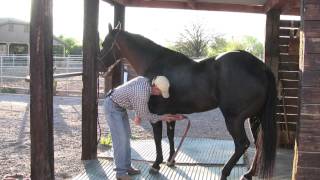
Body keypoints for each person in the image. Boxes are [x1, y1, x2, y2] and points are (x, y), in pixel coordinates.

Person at [104, 75, 184, 180]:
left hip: (120, 106)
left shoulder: (145, 81)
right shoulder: (142, 93)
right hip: (112, 107)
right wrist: (163, 117)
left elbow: (133, 96)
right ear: (155, 86)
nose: (160, 94)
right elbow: (146, 115)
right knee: (120, 139)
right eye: (160, 92)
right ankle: (120, 173)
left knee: (126, 137)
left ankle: (127, 167)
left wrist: (138, 113)